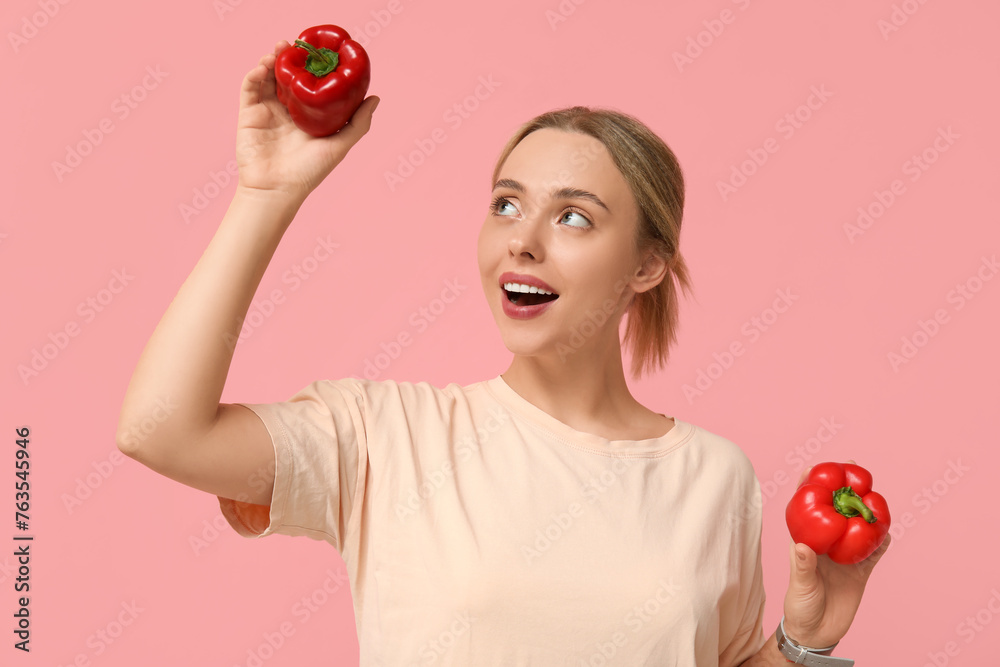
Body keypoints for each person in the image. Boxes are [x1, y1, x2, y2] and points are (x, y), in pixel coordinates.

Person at [116, 40, 890, 666]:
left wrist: (803, 643)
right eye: (506, 204)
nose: (522, 238)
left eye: (575, 218)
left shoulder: (716, 477)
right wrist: (266, 194)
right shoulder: (387, 437)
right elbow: (160, 428)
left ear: (648, 265)